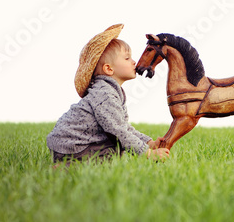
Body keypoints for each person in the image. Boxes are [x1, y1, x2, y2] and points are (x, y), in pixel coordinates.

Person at [46, 23, 169, 165]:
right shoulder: (105, 94)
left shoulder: (112, 91)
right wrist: (148, 154)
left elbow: (123, 127)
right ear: (109, 69)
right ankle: (68, 166)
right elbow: (118, 131)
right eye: (127, 58)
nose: (134, 61)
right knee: (114, 148)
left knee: (115, 151)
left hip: (75, 144)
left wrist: (148, 143)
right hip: (72, 146)